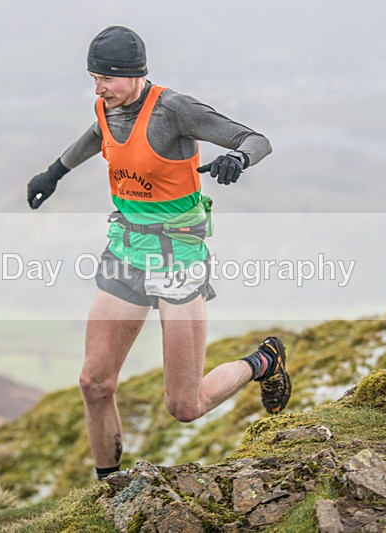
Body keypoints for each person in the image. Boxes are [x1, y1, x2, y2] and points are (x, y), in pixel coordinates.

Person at [27, 26, 291, 481]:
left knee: (184, 406)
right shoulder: (107, 106)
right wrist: (54, 172)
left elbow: (256, 140)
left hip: (178, 257)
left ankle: (263, 362)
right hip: (127, 248)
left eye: (105, 78)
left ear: (133, 74)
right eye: (93, 78)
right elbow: (98, 135)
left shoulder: (175, 110)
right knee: (94, 383)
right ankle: (109, 487)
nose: (98, 88)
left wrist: (238, 160)